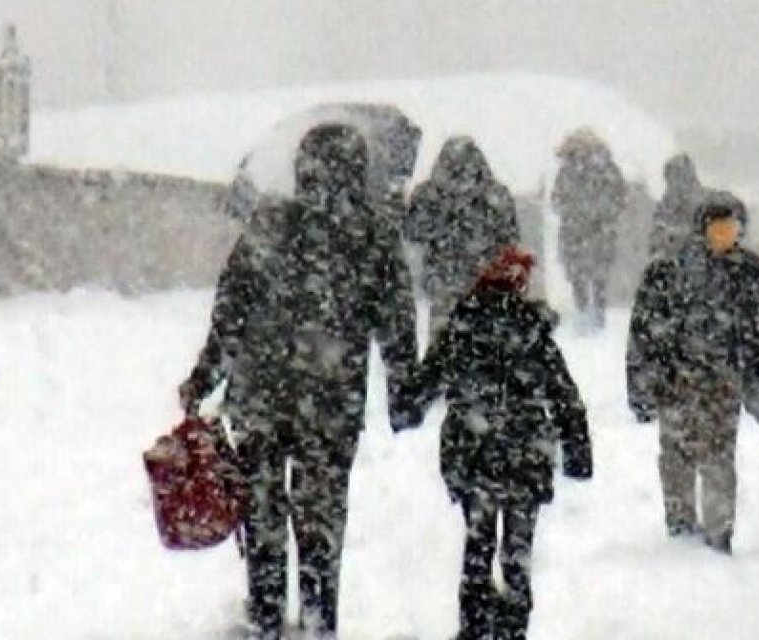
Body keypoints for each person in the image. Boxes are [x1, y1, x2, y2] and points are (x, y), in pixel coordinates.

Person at [179, 124, 419, 639]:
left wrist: (205, 375)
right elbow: (396, 322)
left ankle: (266, 617)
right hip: (332, 404)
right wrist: (403, 391)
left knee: (263, 516)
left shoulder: (269, 223)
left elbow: (232, 311)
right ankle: (316, 622)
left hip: (262, 400)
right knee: (321, 521)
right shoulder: (373, 236)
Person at [404, 246, 593, 640]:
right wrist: (577, 448)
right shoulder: (531, 330)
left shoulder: (462, 326)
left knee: (478, 544)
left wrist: (407, 407)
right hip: (526, 454)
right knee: (517, 552)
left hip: (473, 455)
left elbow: (427, 380)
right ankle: (512, 626)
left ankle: (474, 625)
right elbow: (564, 394)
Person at [626, 192, 759, 554]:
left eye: (731, 230)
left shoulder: (747, 276)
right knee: (676, 457)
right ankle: (681, 529)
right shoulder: (668, 272)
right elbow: (644, 333)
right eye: (717, 230)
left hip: (722, 386)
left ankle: (718, 534)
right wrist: (642, 385)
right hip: (675, 382)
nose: (724, 238)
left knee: (717, 459)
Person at [405, 136, 521, 335]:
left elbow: (412, 231)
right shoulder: (495, 196)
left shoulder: (430, 195)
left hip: (445, 285)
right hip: (485, 287)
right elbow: (510, 238)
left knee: (443, 350)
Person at [552, 128, 627, 329]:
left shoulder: (572, 172)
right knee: (591, 277)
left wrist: (582, 213)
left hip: (584, 232)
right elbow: (619, 198)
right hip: (591, 233)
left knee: (587, 277)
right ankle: (590, 315)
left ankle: (588, 315)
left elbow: (558, 200)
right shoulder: (605, 169)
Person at [649, 153, 705, 258]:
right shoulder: (665, 205)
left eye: (679, 176)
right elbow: (656, 235)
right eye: (672, 177)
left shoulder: (703, 202)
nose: (676, 182)